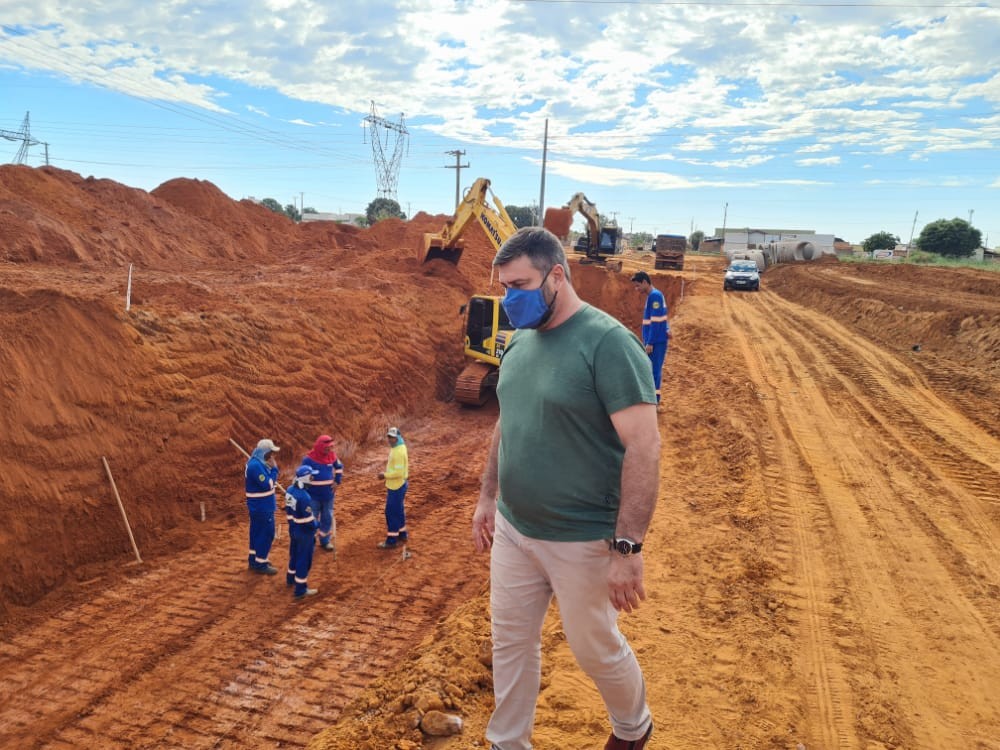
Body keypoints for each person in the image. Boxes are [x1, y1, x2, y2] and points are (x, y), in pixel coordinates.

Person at [472, 227, 660, 750]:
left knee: (594, 648)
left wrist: (628, 547)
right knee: (509, 642)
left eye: (521, 285)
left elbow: (644, 447)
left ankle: (633, 727)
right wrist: (489, 498)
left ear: (557, 275)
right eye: (505, 286)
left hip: (581, 537)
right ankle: (507, 743)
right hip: (514, 528)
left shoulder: (607, 344)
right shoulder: (519, 341)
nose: (510, 299)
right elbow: (505, 421)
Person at [630, 271, 670, 412]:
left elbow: (656, 321)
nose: (637, 289)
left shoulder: (654, 296)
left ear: (645, 282)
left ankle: (654, 403)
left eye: (638, 286)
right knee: (652, 371)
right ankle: (653, 402)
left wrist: (650, 343)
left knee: (654, 372)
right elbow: (662, 317)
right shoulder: (654, 295)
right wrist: (666, 328)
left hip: (656, 342)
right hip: (657, 340)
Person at [301, 434, 344, 554]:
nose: (329, 450)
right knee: (311, 518)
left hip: (328, 495)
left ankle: (325, 541)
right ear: (320, 447)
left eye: (331, 447)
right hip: (313, 495)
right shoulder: (308, 459)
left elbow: (339, 467)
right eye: (327, 447)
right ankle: (310, 541)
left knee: (327, 517)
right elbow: (301, 475)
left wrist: (337, 481)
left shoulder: (332, 456)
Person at [245, 438, 281, 575]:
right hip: (262, 507)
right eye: (271, 453)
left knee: (256, 534)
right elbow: (268, 484)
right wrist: (274, 469)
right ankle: (261, 563)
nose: (272, 456)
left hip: (259, 507)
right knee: (266, 534)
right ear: (265, 452)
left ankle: (254, 560)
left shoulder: (258, 463)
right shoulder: (255, 466)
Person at [284, 464, 320, 600]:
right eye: (311, 476)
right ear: (305, 478)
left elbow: (288, 511)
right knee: (304, 559)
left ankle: (290, 578)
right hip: (304, 533)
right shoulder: (305, 497)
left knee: (294, 554)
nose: (313, 478)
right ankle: (300, 589)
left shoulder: (289, 490)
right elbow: (309, 521)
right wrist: (318, 524)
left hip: (293, 529)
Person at [376, 426, 409, 549]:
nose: (390, 440)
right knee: (399, 510)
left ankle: (391, 540)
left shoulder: (399, 451)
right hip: (398, 485)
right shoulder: (398, 447)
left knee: (391, 512)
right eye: (389, 437)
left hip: (397, 486)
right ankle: (402, 533)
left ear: (398, 437)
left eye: (393, 438)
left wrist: (384, 475)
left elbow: (398, 473)